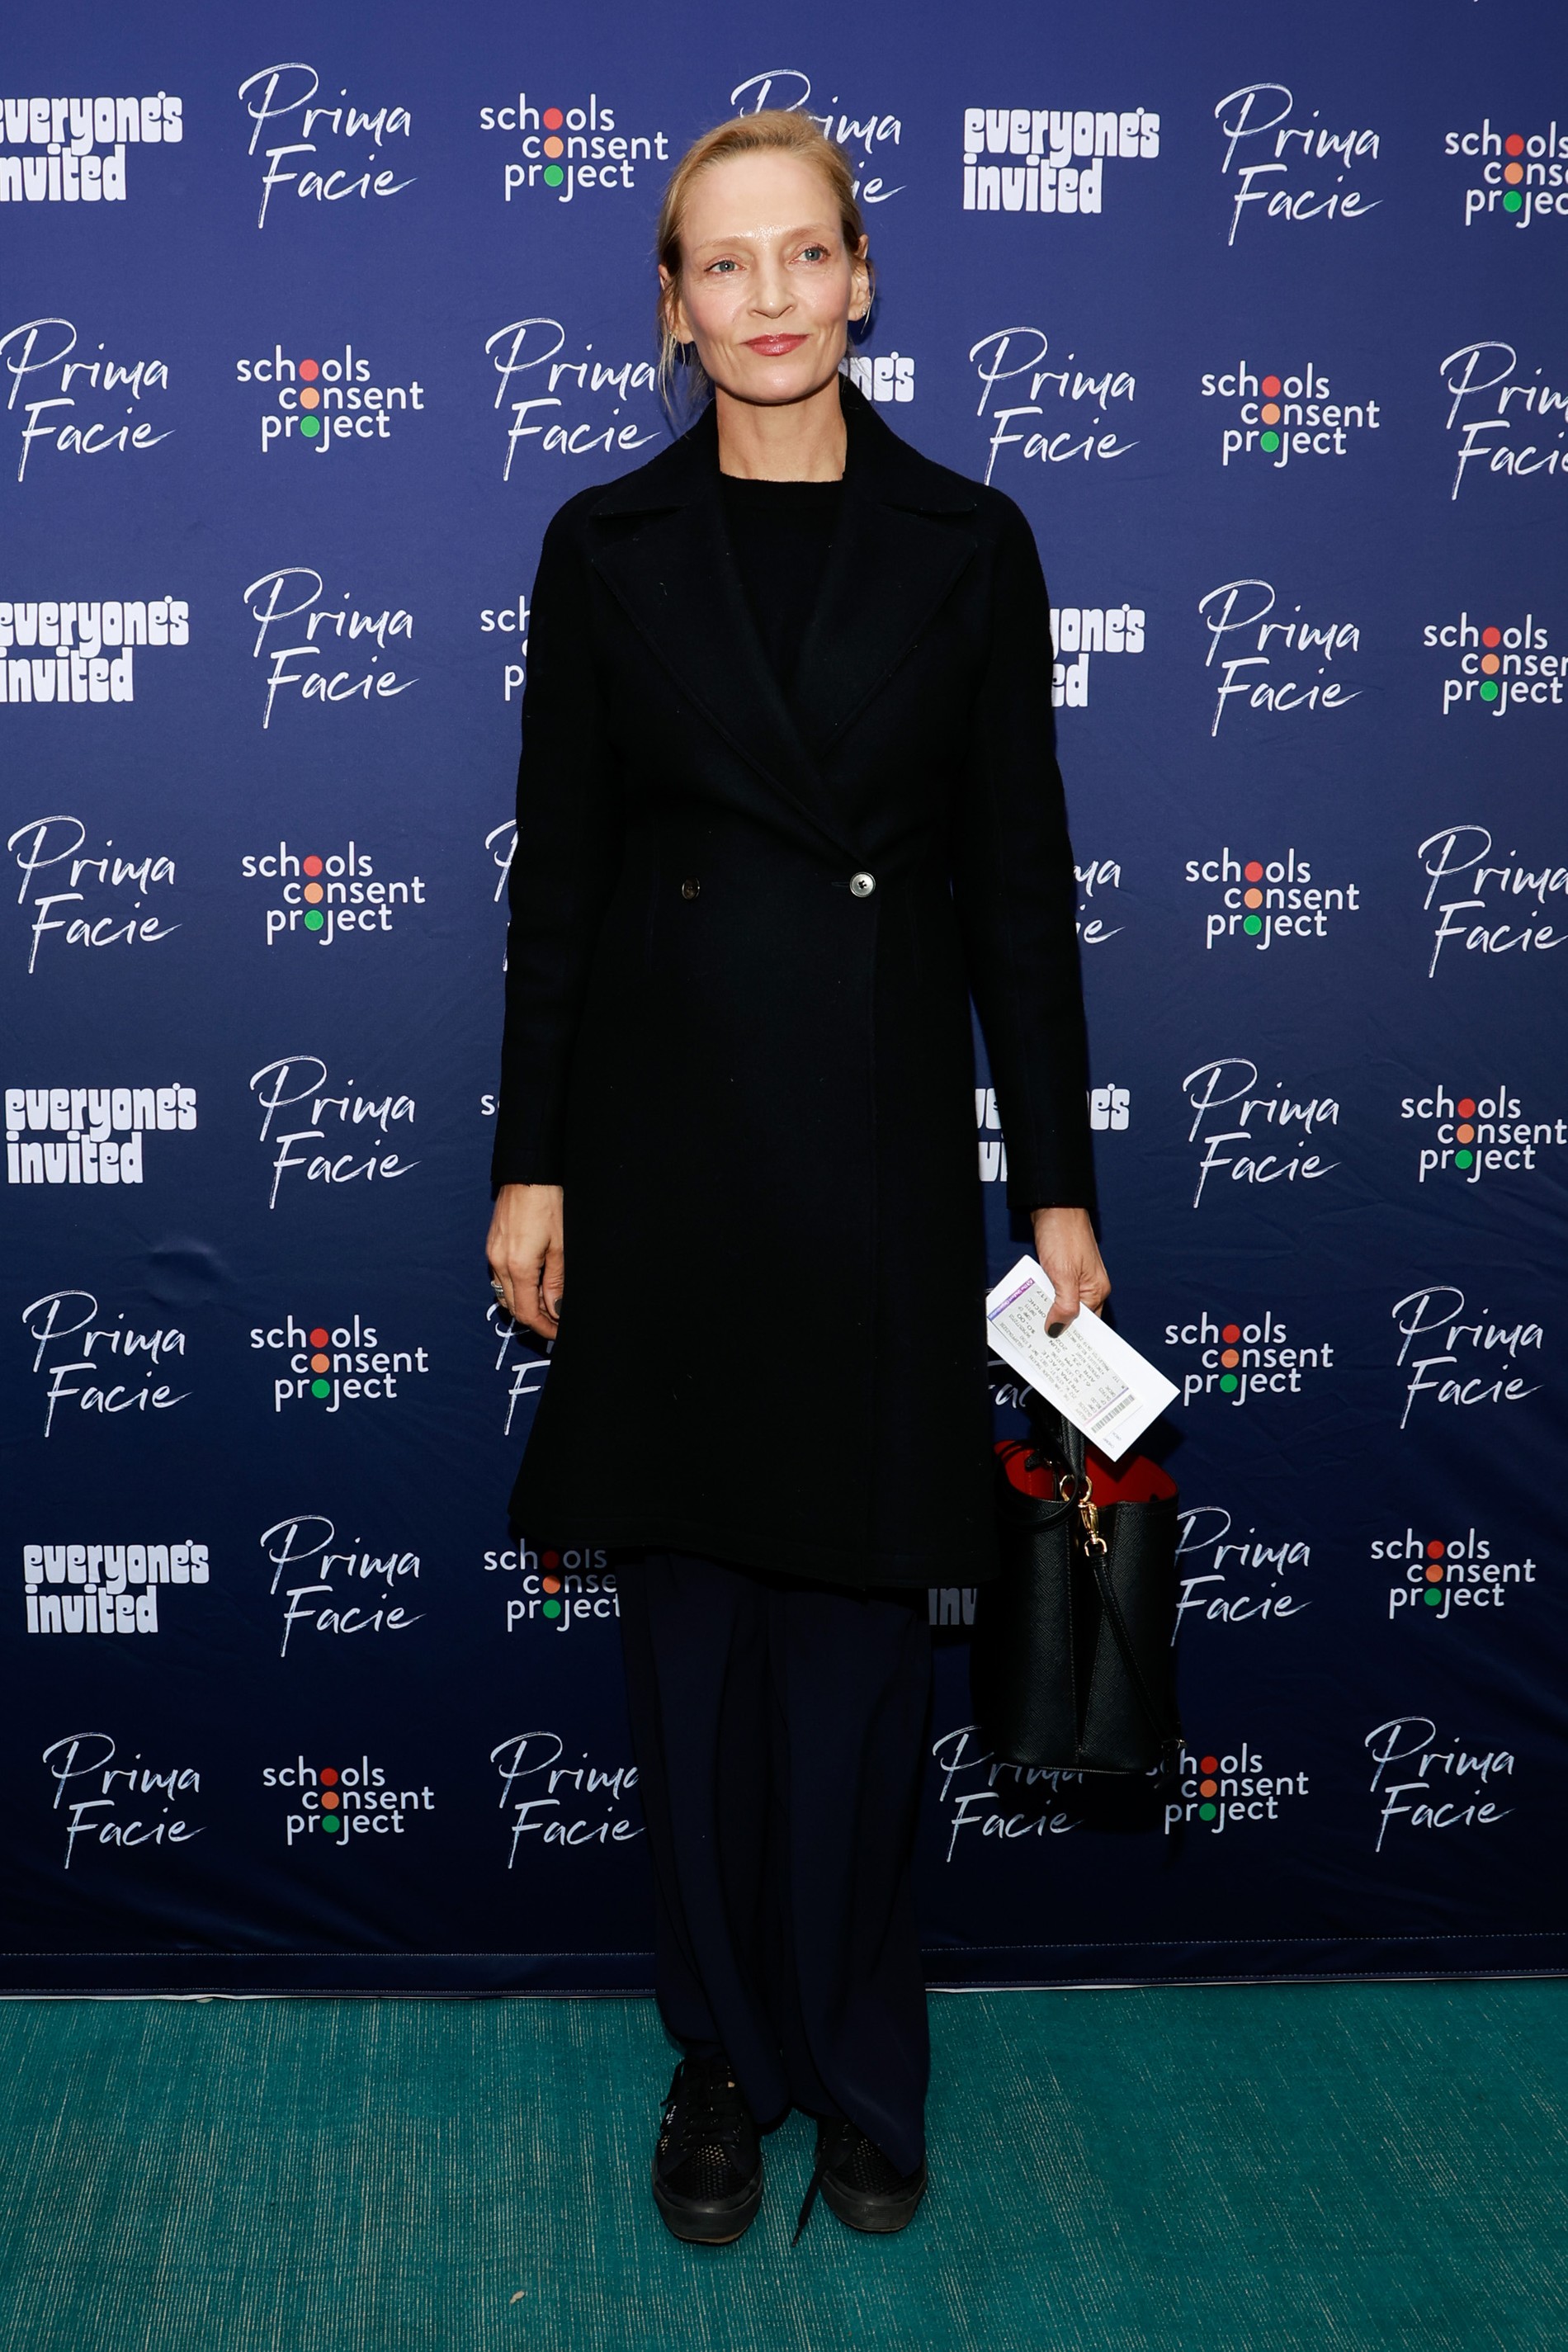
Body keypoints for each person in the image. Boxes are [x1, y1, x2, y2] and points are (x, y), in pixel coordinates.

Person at [486, 109, 1108, 2246]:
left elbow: (1019, 887)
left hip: (868, 1163)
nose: (767, 297)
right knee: (692, 1651)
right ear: (671, 308)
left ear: (862, 278)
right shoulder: (601, 548)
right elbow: (560, 890)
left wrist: (1054, 1189)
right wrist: (531, 1166)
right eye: (721, 263)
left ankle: (859, 2063)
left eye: (802, 254)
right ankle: (722, 2056)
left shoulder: (970, 541)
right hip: (664, 1164)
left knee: (855, 1646)